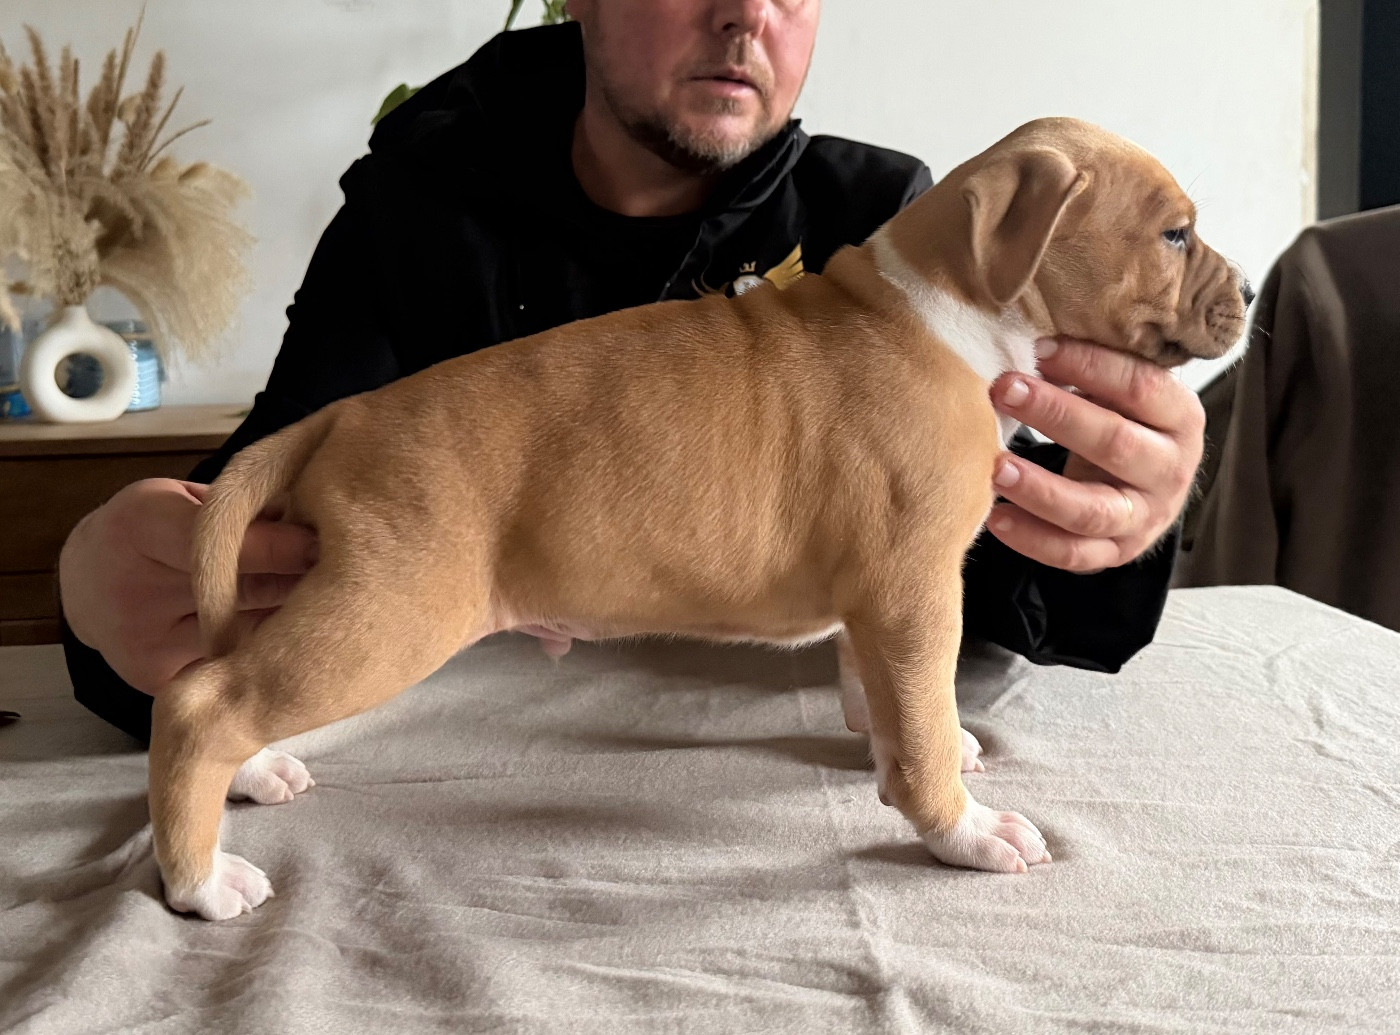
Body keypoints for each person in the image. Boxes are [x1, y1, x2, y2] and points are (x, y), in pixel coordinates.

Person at [57, 0, 1206, 746]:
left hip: (751, 772)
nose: (746, 14)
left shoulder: (882, 221)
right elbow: (249, 530)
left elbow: (991, 584)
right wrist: (104, 597)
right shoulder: (419, 211)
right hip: (465, 760)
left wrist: (1123, 516)